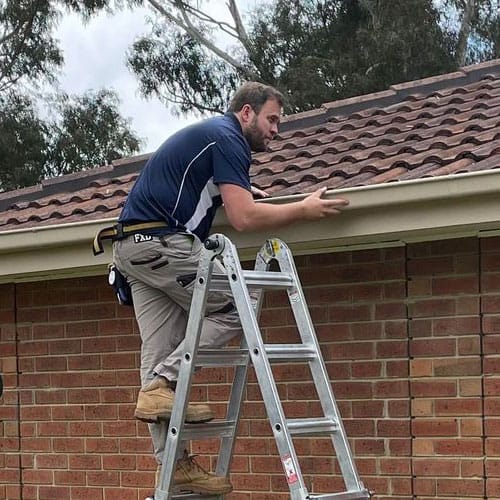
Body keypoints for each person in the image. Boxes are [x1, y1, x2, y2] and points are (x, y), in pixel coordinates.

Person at [111, 81, 349, 497]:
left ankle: (176, 465)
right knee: (238, 308)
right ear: (246, 113)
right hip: (164, 244)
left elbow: (210, 192)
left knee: (156, 362)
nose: (276, 130)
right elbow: (244, 219)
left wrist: (228, 191)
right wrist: (305, 210)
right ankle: (163, 384)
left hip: (134, 250)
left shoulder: (213, 141)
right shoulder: (228, 138)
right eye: (272, 119)